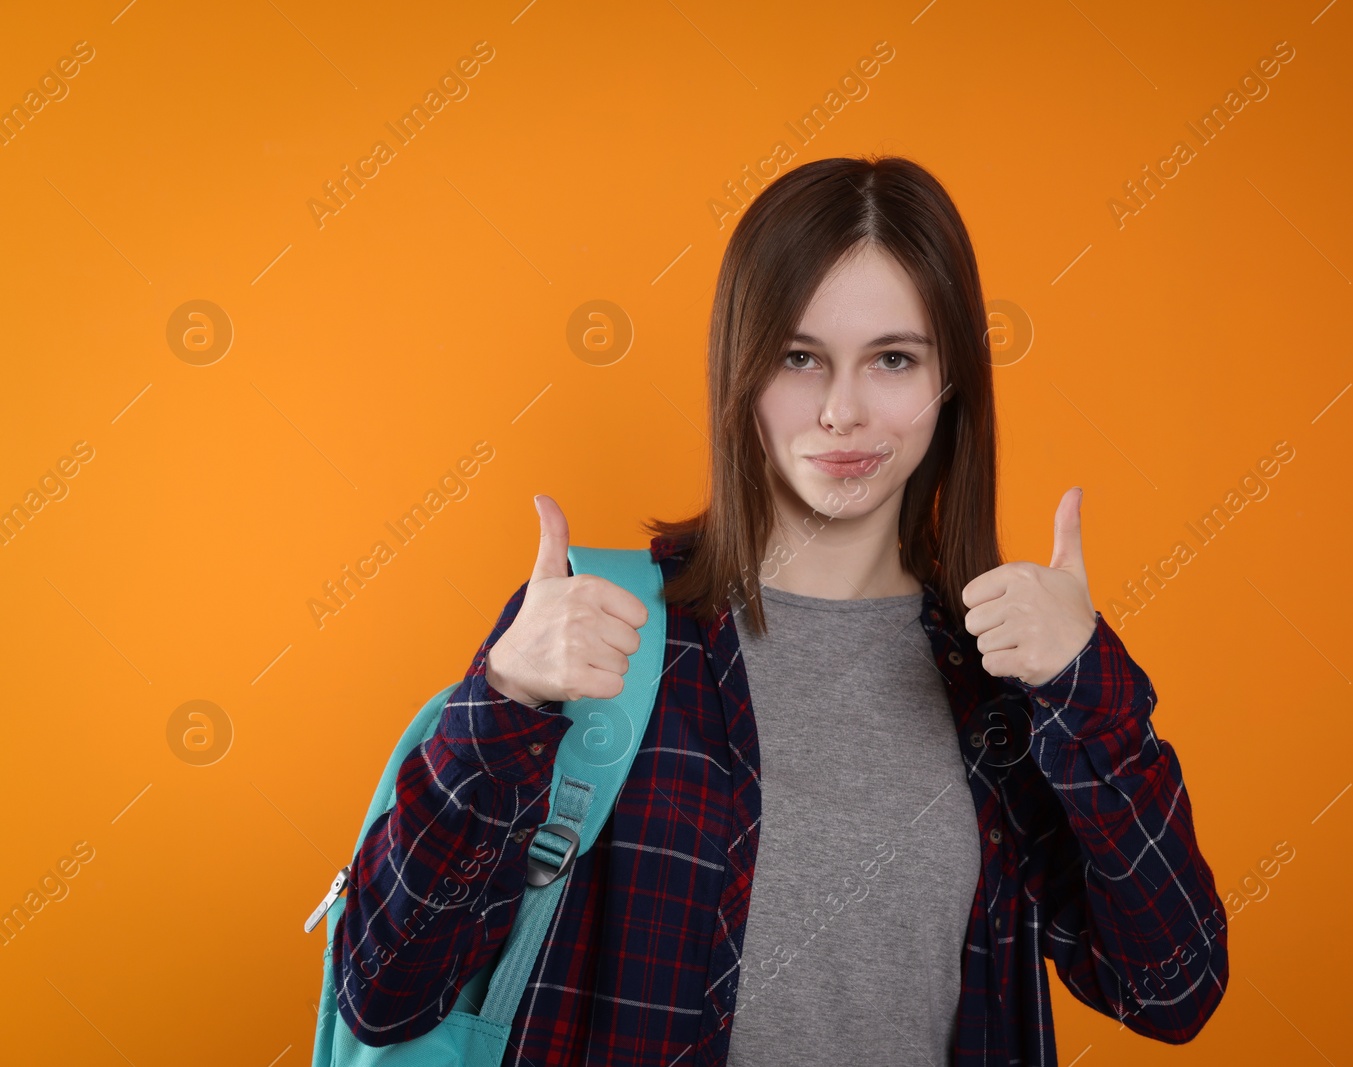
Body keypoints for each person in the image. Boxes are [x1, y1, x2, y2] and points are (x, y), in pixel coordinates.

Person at [331, 155, 1228, 1066]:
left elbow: (1171, 988)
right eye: (800, 357)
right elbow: (384, 988)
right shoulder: (593, 629)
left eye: (892, 358)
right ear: (741, 369)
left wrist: (1089, 694)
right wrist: (505, 699)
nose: (843, 411)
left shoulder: (1007, 679)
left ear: (948, 381)